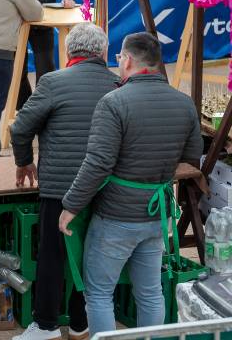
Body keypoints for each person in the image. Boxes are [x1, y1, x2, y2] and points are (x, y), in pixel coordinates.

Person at [59, 33, 203, 337]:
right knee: (149, 292)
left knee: (98, 293)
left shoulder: (113, 102)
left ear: (126, 59)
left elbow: (98, 163)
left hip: (115, 217)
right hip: (156, 216)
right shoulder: (184, 102)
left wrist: (70, 206)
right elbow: (191, 162)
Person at [9, 23, 119, 340]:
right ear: (103, 52)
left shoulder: (53, 82)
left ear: (69, 51)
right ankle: (80, 324)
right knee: (93, 258)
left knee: (52, 256)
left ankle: (45, 326)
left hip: (61, 187)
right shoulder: (117, 83)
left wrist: (23, 162)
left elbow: (19, 129)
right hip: (105, 187)